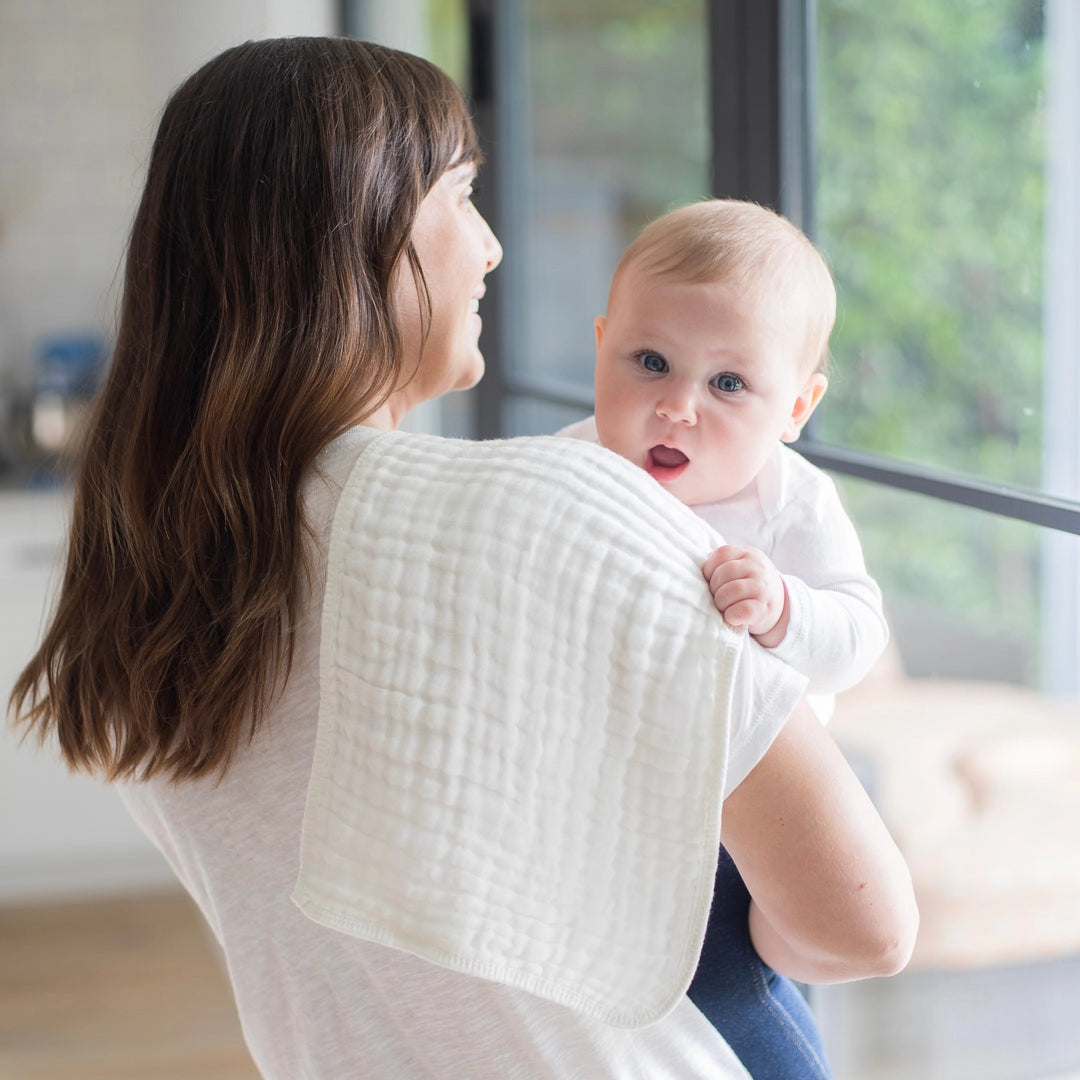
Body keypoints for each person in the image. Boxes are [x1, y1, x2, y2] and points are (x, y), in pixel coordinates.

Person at [7, 38, 916, 1080]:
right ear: (356, 231)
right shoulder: (569, 513)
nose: (489, 248)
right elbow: (864, 928)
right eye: (462, 196)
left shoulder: (152, 585)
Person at [559, 199, 891, 1077]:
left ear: (796, 405)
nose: (676, 407)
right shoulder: (570, 466)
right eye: (651, 362)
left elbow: (857, 631)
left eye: (728, 384)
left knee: (745, 983)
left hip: (756, 797)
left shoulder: (790, 498)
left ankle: (781, 963)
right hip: (617, 793)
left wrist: (784, 608)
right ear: (602, 344)